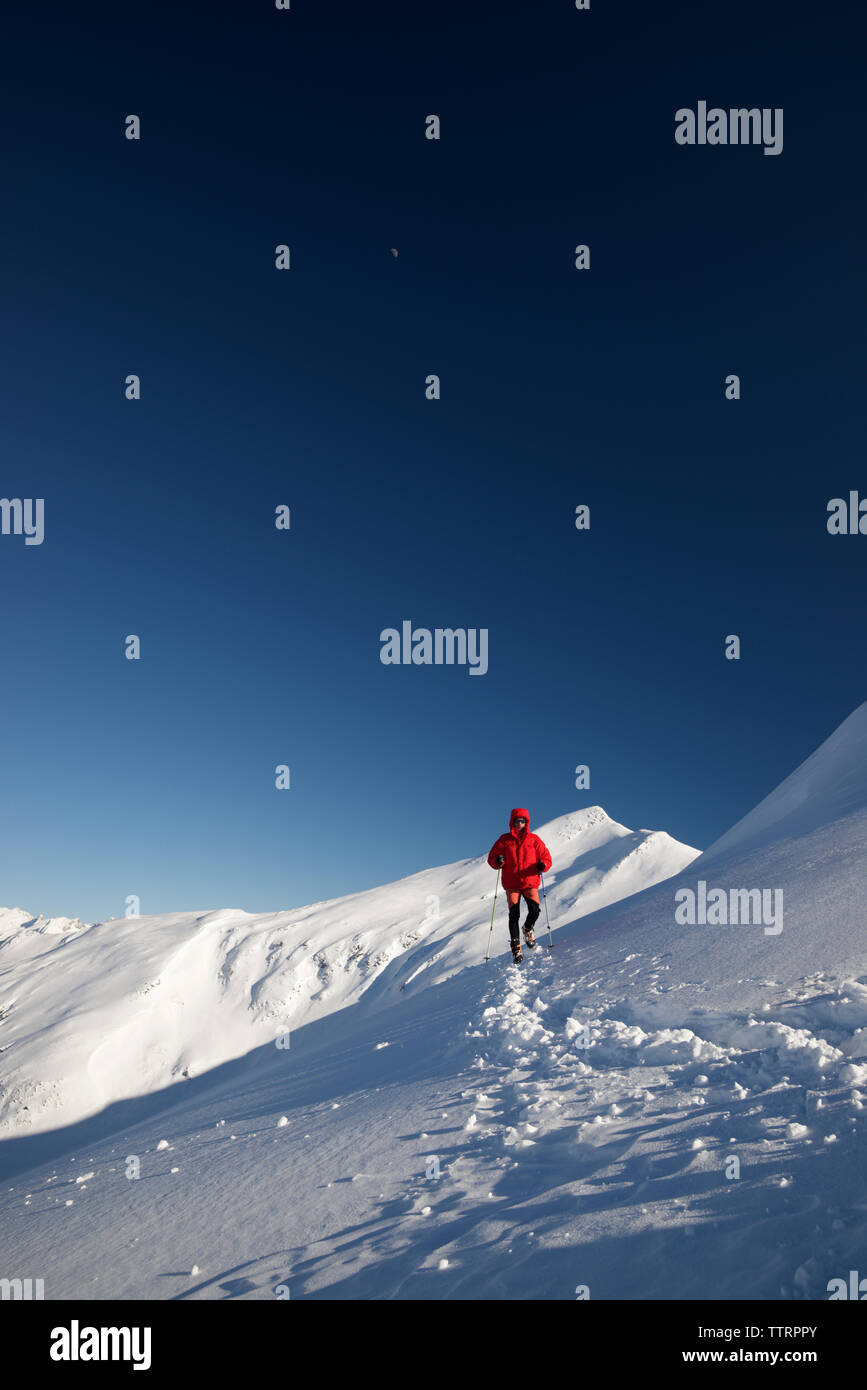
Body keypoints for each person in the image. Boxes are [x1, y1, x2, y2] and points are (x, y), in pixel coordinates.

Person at [487, 808, 552, 963]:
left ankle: (527, 928)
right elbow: (492, 858)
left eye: (522, 821)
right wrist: (498, 861)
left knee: (535, 910)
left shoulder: (534, 840)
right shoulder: (504, 840)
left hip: (530, 881)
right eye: (516, 821)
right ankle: (516, 948)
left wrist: (543, 864)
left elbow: (546, 857)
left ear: (526, 822)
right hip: (512, 883)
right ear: (512, 822)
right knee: (514, 914)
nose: (519, 823)